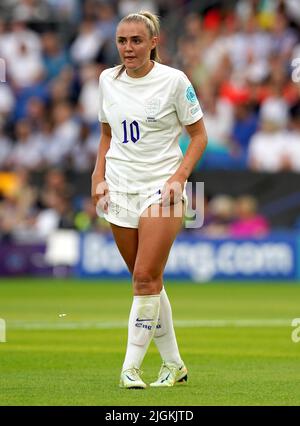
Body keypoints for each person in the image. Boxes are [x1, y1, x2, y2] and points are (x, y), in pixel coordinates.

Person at [91, 11, 207, 389]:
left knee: (143, 278)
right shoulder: (107, 80)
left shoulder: (174, 81)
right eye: (122, 41)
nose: (128, 48)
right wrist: (98, 175)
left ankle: (130, 369)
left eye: (136, 40)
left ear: (153, 42)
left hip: (163, 190)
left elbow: (199, 135)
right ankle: (174, 364)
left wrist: (179, 177)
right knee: (149, 281)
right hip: (120, 188)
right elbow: (107, 136)